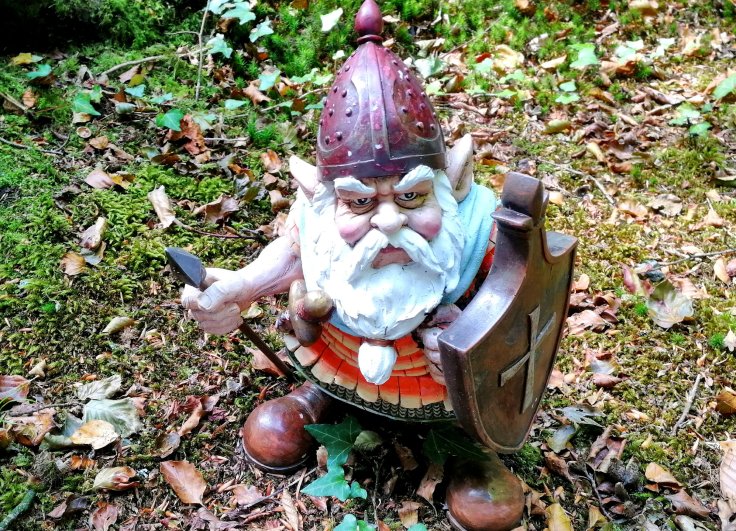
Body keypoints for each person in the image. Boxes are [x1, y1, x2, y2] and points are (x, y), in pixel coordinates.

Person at [182, 1, 526, 528]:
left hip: (443, 393)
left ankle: (466, 443)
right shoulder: (317, 226)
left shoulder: (482, 231)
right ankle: (319, 397)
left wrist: (473, 351)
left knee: (474, 459)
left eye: (411, 197)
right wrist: (240, 287)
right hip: (339, 363)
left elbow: (514, 312)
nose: (388, 222)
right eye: (361, 203)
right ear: (325, 199)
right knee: (303, 394)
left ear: (451, 184)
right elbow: (291, 255)